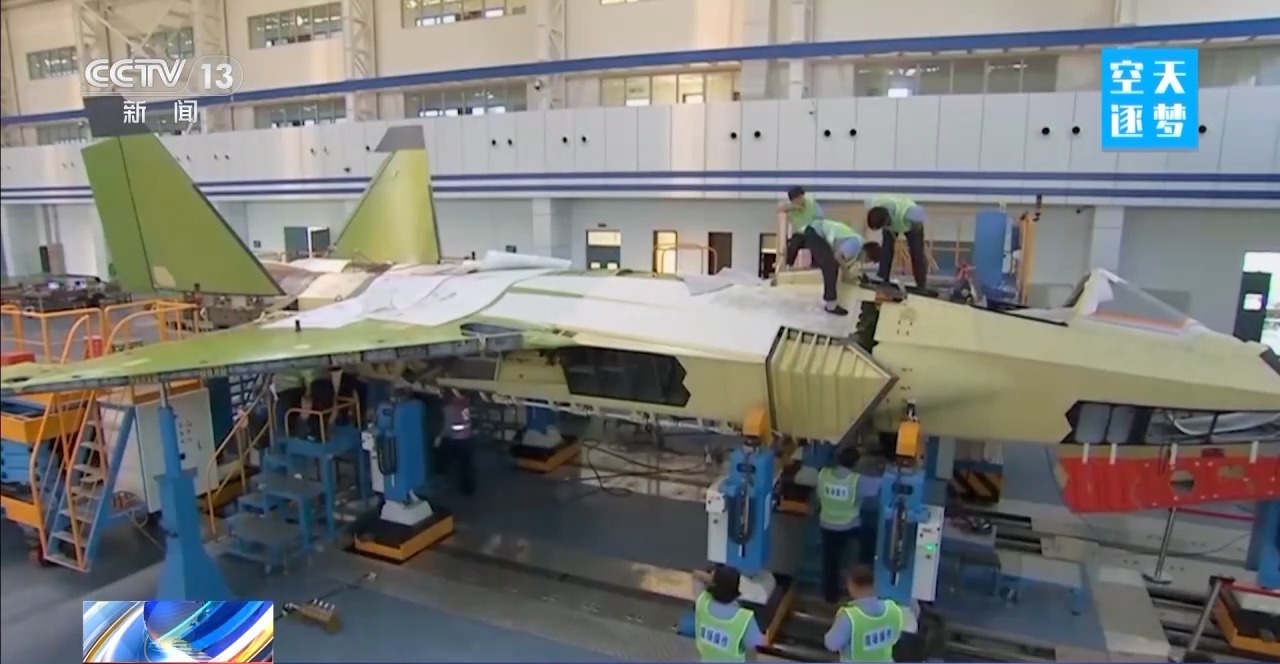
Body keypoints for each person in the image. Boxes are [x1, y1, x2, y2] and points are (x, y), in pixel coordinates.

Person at [816, 446, 882, 602]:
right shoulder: (856, 481)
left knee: (830, 562)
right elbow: (880, 485)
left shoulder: (823, 474)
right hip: (849, 527)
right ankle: (859, 585)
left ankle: (830, 596)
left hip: (826, 525)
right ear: (856, 464)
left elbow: (818, 496)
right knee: (864, 544)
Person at [824, 566, 906, 663]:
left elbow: (832, 645)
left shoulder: (849, 616)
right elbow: (896, 637)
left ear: (851, 585)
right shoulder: (893, 609)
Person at [803, 218, 880, 317]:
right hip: (815, 232)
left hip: (817, 232)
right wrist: (847, 269)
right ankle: (831, 305)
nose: (864, 262)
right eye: (867, 260)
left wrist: (853, 273)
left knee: (831, 263)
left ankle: (830, 300)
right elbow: (838, 256)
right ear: (867, 254)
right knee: (831, 265)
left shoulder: (857, 245)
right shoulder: (856, 244)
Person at [691, 565, 766, 662]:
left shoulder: (702, 603)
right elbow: (752, 649)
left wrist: (715, 581)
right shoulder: (744, 618)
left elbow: (696, 575)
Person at [865, 195, 929, 289]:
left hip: (911, 224)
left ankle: (921, 284)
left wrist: (912, 231)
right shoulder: (873, 204)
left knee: (917, 252)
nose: (885, 227)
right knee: (887, 249)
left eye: (885, 225)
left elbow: (922, 217)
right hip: (891, 219)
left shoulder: (911, 213)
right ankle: (883, 278)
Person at [437, 389, 477, 496]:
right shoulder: (464, 402)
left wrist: (439, 437)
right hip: (467, 437)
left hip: (457, 439)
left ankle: (442, 473)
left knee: (450, 458)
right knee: (467, 464)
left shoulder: (449, 408)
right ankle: (469, 487)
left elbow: (447, 428)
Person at [778, 186, 825, 268]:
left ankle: (816, 264)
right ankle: (788, 264)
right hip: (801, 234)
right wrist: (793, 207)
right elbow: (779, 210)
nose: (800, 200)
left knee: (815, 242)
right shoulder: (792, 209)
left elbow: (821, 219)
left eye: (801, 197)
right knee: (793, 242)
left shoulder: (812, 204)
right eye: (797, 199)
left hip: (813, 232)